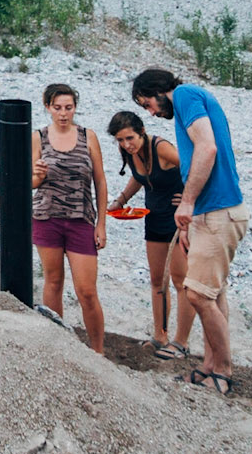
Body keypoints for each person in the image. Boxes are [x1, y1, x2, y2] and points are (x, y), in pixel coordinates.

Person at [132, 67, 248, 395]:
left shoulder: (184, 95)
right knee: (213, 293)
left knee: (196, 294)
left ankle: (223, 371)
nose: (152, 113)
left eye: (148, 104)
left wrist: (188, 202)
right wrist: (192, 216)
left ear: (158, 90)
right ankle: (209, 366)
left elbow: (207, 147)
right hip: (208, 213)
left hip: (218, 211)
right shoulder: (190, 101)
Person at [107, 108, 191, 360]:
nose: (126, 144)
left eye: (130, 138)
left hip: (178, 218)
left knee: (180, 281)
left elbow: (195, 166)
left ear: (141, 132)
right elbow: (139, 177)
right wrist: (121, 200)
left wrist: (190, 198)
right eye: (120, 140)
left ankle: (181, 342)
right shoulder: (130, 153)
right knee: (157, 279)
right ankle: (160, 335)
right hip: (153, 216)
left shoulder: (161, 148)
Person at [32, 83, 107, 351]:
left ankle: (98, 350)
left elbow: (100, 180)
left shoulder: (89, 136)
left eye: (68, 108)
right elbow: (28, 182)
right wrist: (38, 175)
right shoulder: (38, 137)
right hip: (46, 216)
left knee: (86, 290)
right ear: (47, 107)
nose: (63, 114)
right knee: (53, 281)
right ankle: (57, 346)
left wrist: (101, 224)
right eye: (57, 108)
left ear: (75, 107)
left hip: (81, 218)